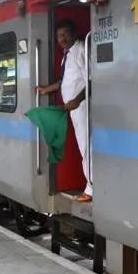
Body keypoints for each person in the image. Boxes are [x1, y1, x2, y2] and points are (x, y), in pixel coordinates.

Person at [36, 19, 92, 202]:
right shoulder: (67, 54)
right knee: (83, 145)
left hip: (83, 107)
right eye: (59, 35)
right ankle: (90, 185)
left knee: (86, 146)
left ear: (74, 33)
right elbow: (66, 81)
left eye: (65, 34)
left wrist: (77, 100)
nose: (62, 38)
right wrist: (46, 89)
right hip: (74, 109)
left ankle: (91, 189)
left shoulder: (82, 50)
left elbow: (91, 80)